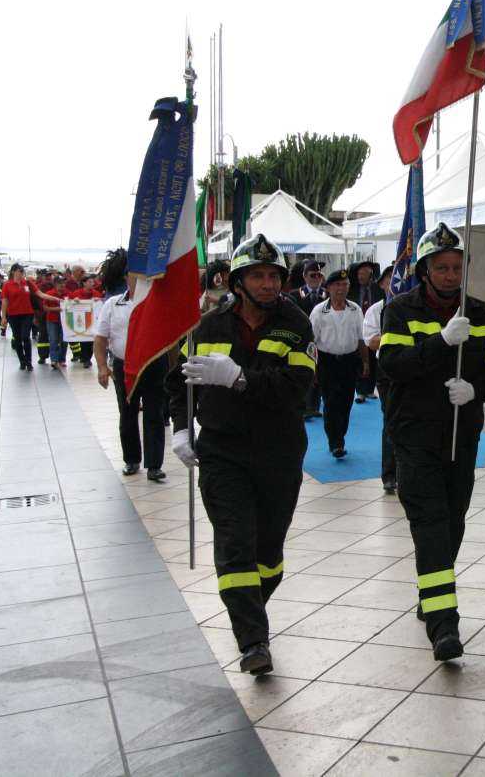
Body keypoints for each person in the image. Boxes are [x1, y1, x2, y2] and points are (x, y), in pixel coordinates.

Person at [167, 233, 316, 676]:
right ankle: (253, 641)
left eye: (274, 276)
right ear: (237, 281)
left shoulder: (297, 325)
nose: (268, 284)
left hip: (279, 453)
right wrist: (179, 429)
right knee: (235, 545)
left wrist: (239, 379)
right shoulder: (208, 326)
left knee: (268, 554)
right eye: (258, 276)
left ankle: (251, 610)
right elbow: (180, 383)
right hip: (222, 452)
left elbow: (297, 389)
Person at [378, 222, 485, 661]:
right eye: (442, 267)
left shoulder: (480, 312)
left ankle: (431, 587)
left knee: (454, 520)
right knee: (432, 526)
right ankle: (443, 625)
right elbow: (395, 363)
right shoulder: (399, 310)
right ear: (424, 271)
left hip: (462, 432)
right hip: (415, 435)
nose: (452, 275)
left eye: (457, 267)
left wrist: (476, 388)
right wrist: (440, 341)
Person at [94, 275, 167, 480]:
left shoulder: (158, 302)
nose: (141, 280)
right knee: (127, 412)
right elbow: (100, 339)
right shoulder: (112, 304)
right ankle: (132, 460)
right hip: (123, 366)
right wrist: (101, 367)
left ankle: (154, 465)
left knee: (154, 413)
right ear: (128, 278)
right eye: (136, 276)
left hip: (153, 364)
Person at [310, 268, 368, 458]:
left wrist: (365, 362)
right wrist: (313, 368)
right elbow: (311, 343)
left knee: (346, 402)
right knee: (331, 402)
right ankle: (335, 441)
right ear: (328, 288)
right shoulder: (319, 311)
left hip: (349, 361)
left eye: (345, 285)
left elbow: (361, 339)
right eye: (337, 285)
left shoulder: (355, 309)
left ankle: (340, 435)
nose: (341, 289)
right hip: (327, 362)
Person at [362, 266, 397, 493]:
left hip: (418, 367)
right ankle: (390, 474)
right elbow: (371, 341)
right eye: (391, 280)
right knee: (392, 419)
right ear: (383, 284)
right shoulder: (377, 309)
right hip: (388, 369)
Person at [289, 260, 327, 419]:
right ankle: (304, 405)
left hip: (323, 339)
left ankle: (315, 405)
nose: (316, 278)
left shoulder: (327, 294)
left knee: (321, 371)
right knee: (305, 370)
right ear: (304, 276)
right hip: (302, 340)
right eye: (312, 275)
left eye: (319, 275)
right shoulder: (294, 295)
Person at [350, 260, 383, 403]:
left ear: (370, 274)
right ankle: (360, 391)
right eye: (358, 273)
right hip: (357, 328)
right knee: (360, 360)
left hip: (373, 328)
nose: (360, 276)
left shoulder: (377, 289)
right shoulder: (353, 289)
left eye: (363, 273)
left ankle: (369, 389)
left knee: (373, 359)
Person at [0, 265, 36, 369]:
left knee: (25, 337)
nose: (21, 273)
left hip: (27, 313)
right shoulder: (7, 285)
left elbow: (39, 294)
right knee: (17, 338)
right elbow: (4, 301)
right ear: (14, 272)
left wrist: (56, 299)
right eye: (20, 271)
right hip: (14, 315)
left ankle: (29, 361)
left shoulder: (27, 283)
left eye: (22, 271)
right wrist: (3, 317)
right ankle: (22, 360)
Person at [31, 276, 69, 370]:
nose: (62, 285)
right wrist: (56, 309)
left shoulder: (67, 294)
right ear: (55, 284)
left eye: (63, 283)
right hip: (52, 320)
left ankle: (62, 360)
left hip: (65, 321)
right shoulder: (49, 294)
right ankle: (54, 360)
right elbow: (45, 308)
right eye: (60, 283)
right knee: (53, 340)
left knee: (64, 341)